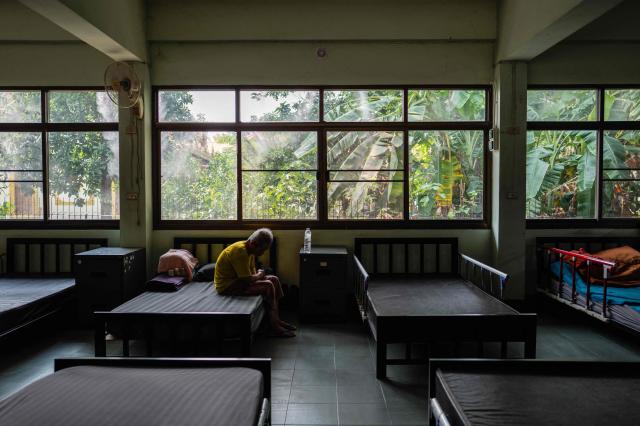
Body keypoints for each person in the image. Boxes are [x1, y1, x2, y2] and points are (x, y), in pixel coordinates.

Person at [214, 228, 296, 337]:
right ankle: (275, 326)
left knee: (274, 279)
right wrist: (260, 275)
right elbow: (247, 279)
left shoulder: (250, 251)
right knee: (268, 285)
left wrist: (259, 275)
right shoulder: (240, 251)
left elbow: (252, 275)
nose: (262, 253)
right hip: (227, 286)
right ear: (253, 244)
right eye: (262, 250)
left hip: (239, 281)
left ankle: (277, 319)